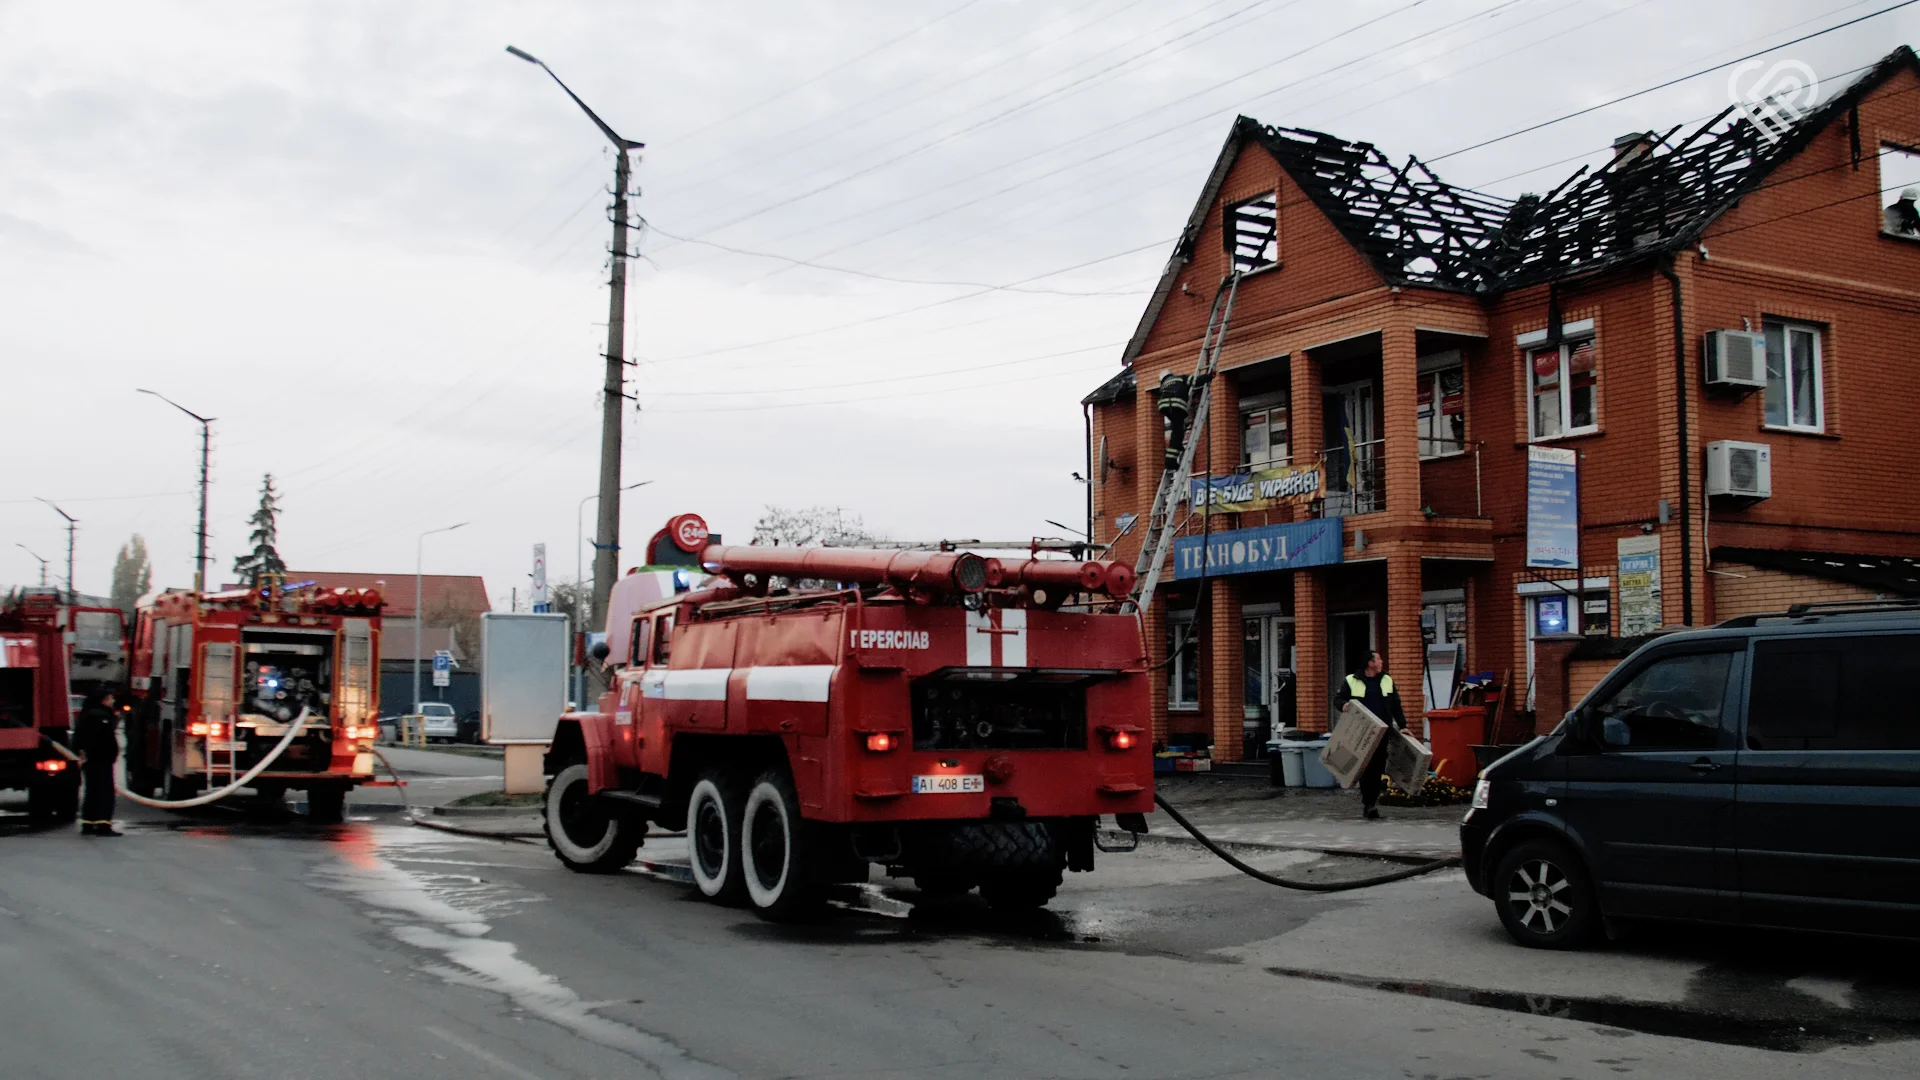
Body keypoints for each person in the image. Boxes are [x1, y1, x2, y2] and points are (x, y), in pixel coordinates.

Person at [1335, 650, 1406, 820]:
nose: (1382, 662)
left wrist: (1403, 726)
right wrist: (1344, 705)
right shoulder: (1352, 680)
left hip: (1382, 731)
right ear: (1370, 663)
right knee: (1366, 767)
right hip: (1361, 732)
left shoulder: (1387, 680)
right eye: (1379, 659)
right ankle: (1369, 804)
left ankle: (1371, 801)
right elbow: (1338, 699)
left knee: (1377, 767)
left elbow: (1396, 704)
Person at [74, 687, 122, 837]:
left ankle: (88, 823)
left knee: (92, 791)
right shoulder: (101, 716)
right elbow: (104, 740)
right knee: (104, 792)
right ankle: (103, 824)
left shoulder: (87, 714)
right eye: (110, 698)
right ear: (104, 700)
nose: (113, 701)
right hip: (101, 761)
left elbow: (78, 738)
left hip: (91, 760)